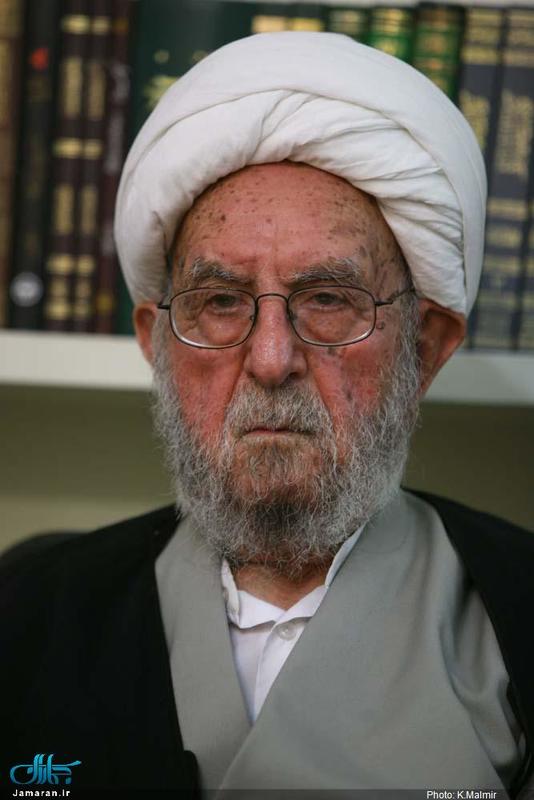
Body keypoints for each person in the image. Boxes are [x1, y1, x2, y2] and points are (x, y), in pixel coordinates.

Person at [2, 32, 534, 799]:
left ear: (425, 348)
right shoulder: (28, 610)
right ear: (157, 345)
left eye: (329, 299)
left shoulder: (518, 611)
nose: (272, 358)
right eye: (221, 302)